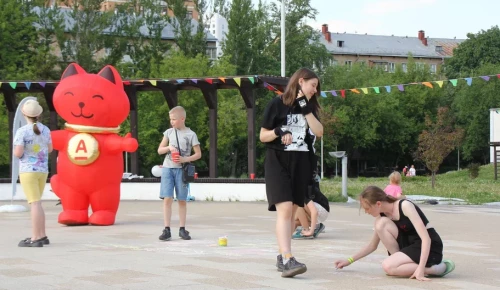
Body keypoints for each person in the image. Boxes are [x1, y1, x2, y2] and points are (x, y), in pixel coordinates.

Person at [260, 68, 323, 278]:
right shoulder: (277, 104)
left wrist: (305, 108)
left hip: (301, 163)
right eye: (313, 85)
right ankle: (287, 258)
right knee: (285, 209)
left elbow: (319, 131)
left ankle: (282, 256)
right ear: (301, 81)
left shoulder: (309, 106)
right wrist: (278, 132)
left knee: (294, 209)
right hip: (278, 161)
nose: (315, 90)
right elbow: (263, 136)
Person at [334, 186, 455, 281]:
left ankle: (437, 268)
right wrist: (348, 260)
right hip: (410, 246)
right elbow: (372, 245)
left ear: (378, 204)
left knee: (388, 266)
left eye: (367, 208)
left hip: (429, 246)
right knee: (381, 224)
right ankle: (401, 265)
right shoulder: (382, 217)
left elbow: (426, 239)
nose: (366, 212)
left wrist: (421, 269)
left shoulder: (405, 206)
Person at [157, 106, 201, 241]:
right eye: (170, 119)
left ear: (182, 119)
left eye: (174, 119)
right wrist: (169, 147)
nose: (172, 122)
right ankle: (167, 229)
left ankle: (182, 229)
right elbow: (159, 150)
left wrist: (185, 159)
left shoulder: (191, 134)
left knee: (182, 200)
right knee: (167, 198)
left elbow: (198, 154)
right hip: (167, 168)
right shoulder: (169, 133)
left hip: (182, 170)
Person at [14, 100, 53, 247]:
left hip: (28, 170)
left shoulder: (22, 131)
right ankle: (42, 235)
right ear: (39, 114)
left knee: (34, 203)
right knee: (38, 203)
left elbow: (18, 152)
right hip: (42, 170)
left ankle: (35, 237)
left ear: (24, 113)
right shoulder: (46, 130)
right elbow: (50, 149)